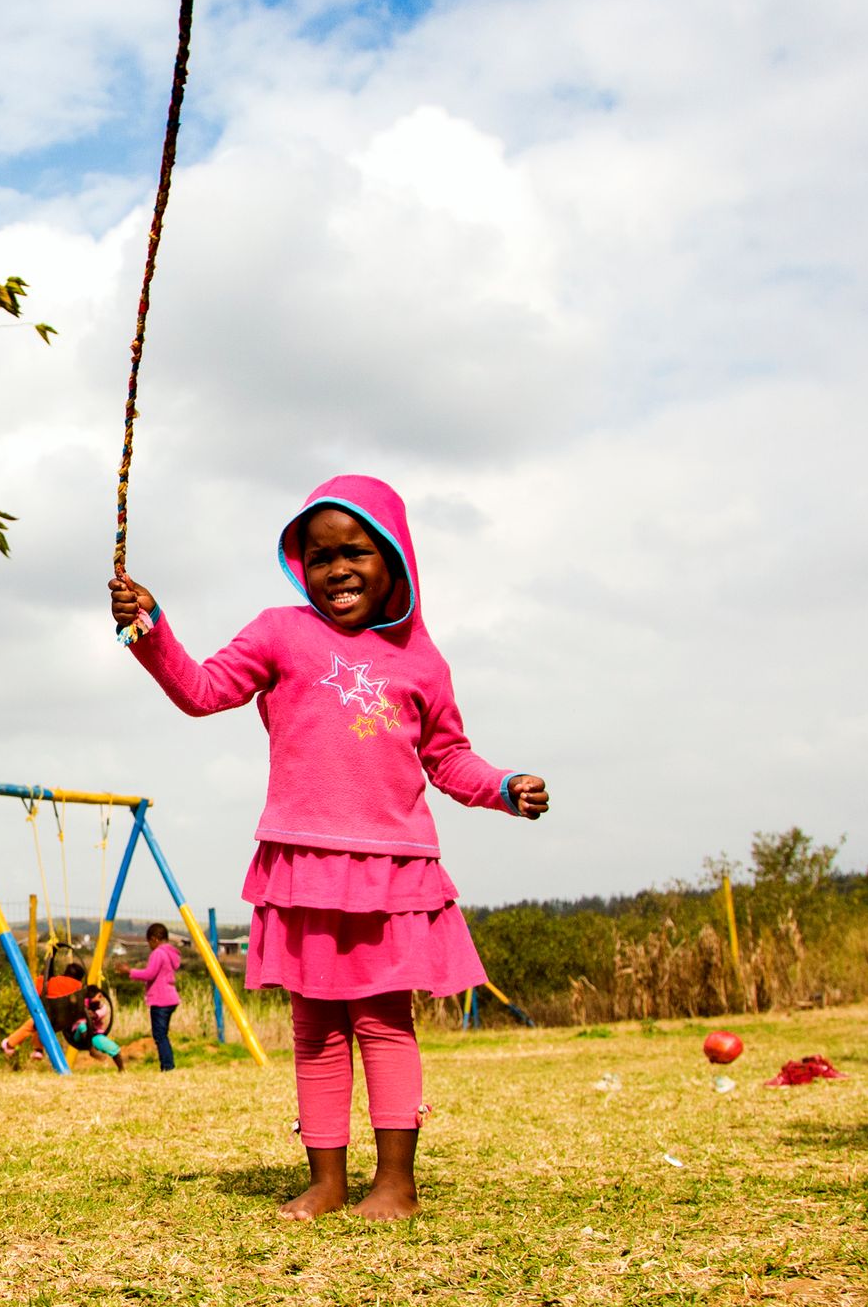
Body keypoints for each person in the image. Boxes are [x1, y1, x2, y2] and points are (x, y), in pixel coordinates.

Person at [110, 476, 548, 1221]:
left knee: (383, 1021)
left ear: (396, 560)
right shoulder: (280, 632)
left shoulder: (422, 658)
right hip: (303, 863)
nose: (337, 568)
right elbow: (203, 688)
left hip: (391, 870)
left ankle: (396, 1182)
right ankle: (326, 1180)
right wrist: (148, 627)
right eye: (319, 556)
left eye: (356, 552)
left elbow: (449, 759)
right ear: (299, 566)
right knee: (314, 1027)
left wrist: (503, 785)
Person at [128, 922, 183, 1071]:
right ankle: (167, 1065)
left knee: (160, 1035)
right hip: (171, 998)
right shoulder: (171, 953)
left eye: (149, 943)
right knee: (162, 1034)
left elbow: (149, 974)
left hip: (161, 1000)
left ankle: (167, 1066)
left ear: (155, 939)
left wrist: (130, 972)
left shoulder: (158, 953)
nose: (150, 946)